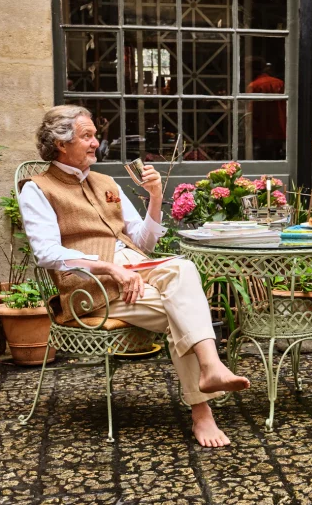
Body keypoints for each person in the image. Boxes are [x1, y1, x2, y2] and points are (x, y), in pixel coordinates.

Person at [18, 105, 250, 447]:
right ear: (60, 144)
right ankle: (203, 409)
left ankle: (211, 370)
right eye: (87, 136)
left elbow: (141, 242)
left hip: (137, 269)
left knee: (184, 268)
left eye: (95, 135)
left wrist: (155, 198)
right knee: (180, 311)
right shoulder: (38, 189)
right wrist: (108, 267)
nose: (96, 142)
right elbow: (47, 253)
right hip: (92, 287)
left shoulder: (105, 182)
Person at [246, 59, 287, 160]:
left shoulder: (254, 85)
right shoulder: (279, 83)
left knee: (261, 160)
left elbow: (251, 110)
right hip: (279, 128)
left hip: (261, 130)